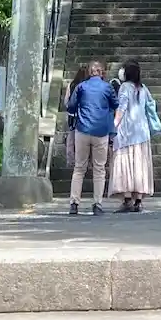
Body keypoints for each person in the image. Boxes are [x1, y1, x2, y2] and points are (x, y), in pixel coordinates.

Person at [67, 60, 117, 215]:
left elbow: (71, 106)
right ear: (101, 72)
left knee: (79, 168)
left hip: (82, 130)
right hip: (101, 131)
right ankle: (97, 203)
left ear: (89, 72)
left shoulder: (81, 87)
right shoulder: (107, 87)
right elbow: (116, 104)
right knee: (99, 168)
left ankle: (74, 203)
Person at [110, 60, 159, 212]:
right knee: (140, 165)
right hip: (142, 133)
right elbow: (151, 106)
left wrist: (113, 125)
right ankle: (138, 200)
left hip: (127, 133)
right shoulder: (143, 88)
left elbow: (121, 108)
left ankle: (127, 199)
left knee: (125, 164)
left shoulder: (125, 87)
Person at [62, 63, 90, 171]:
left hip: (72, 116)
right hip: (86, 116)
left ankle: (71, 161)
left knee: (71, 138)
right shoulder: (89, 86)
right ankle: (85, 162)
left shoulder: (72, 84)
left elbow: (66, 101)